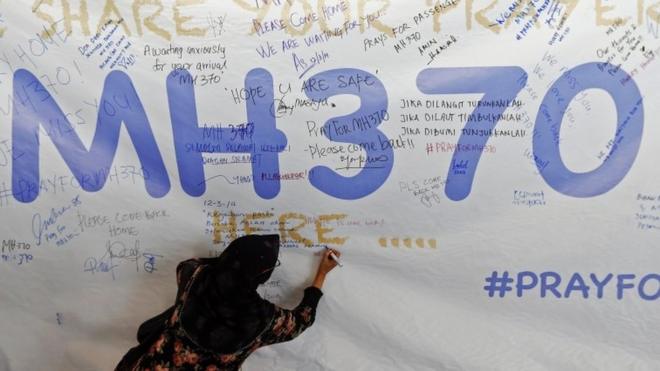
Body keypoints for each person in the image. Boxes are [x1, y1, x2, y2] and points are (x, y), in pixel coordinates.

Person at [115, 234, 341, 370]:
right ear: (262, 273)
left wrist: (226, 265)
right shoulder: (263, 319)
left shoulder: (193, 275)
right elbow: (303, 319)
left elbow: (187, 264)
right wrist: (321, 273)